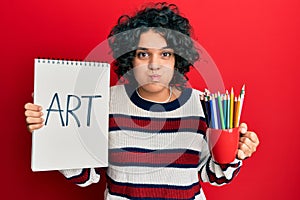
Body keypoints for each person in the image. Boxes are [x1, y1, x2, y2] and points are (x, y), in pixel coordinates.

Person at [24, 2, 259, 199]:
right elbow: (86, 177)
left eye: (165, 54)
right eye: (143, 54)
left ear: (177, 60)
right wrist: (51, 131)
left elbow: (214, 176)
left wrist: (234, 154)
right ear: (131, 59)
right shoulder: (103, 102)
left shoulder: (203, 104)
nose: (154, 64)